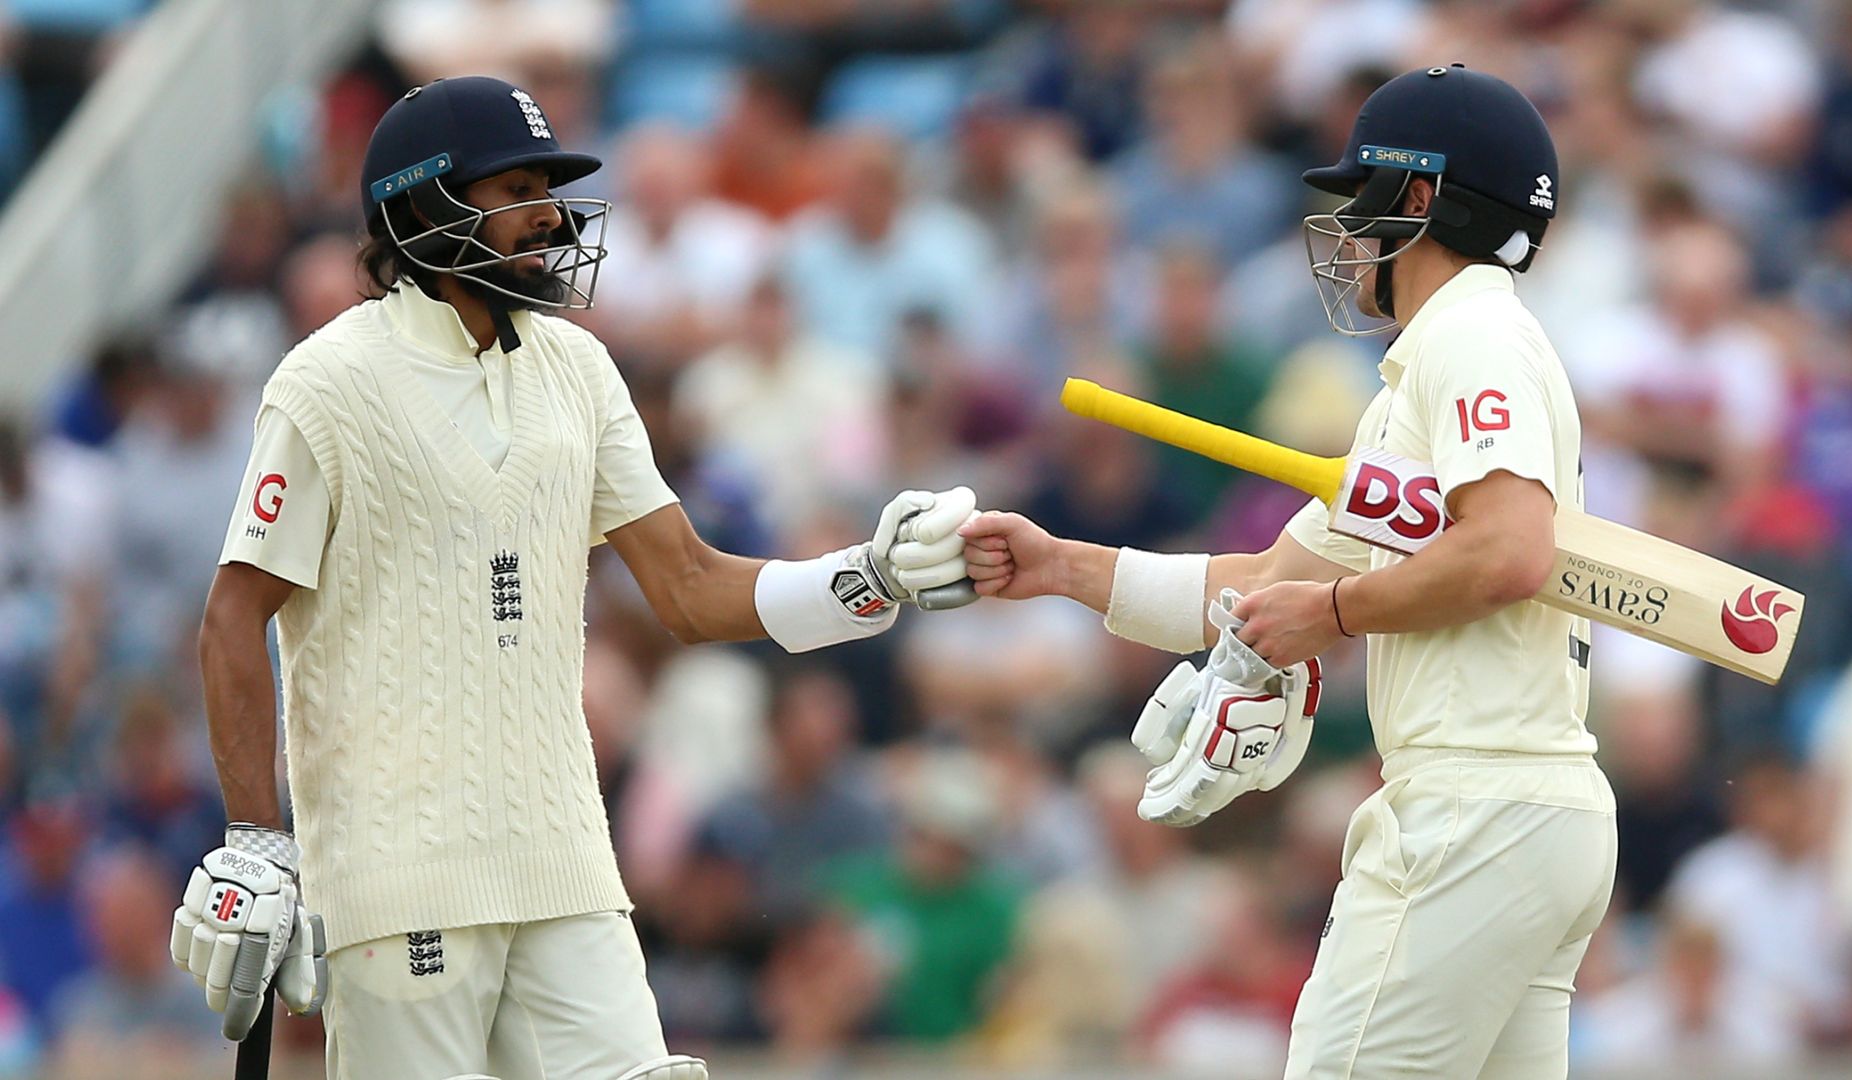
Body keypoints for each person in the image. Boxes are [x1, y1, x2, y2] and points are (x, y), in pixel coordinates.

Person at [166, 76, 977, 1080]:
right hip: (396, 875)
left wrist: (868, 579)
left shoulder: (580, 372)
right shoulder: (326, 382)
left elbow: (687, 586)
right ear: (423, 207)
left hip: (566, 862)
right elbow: (232, 616)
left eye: (549, 188)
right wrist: (255, 837)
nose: (550, 216)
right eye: (516, 189)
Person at [963, 65, 1616, 1078]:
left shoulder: (1473, 337)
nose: (1349, 235)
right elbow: (1268, 584)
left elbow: (1508, 551)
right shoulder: (1428, 378)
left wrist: (1339, 612)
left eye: (1365, 202)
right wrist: (1062, 567)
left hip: (1470, 813)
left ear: (1420, 200)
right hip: (1535, 813)